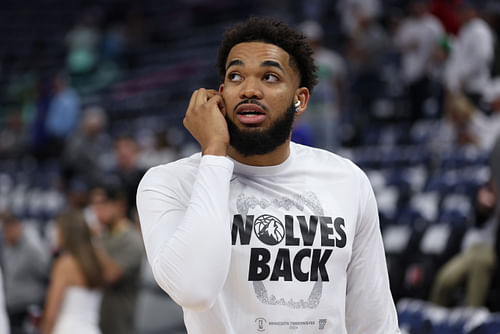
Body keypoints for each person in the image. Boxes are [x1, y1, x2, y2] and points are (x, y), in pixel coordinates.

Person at [137, 17, 400, 333]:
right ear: (220, 94)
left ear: (299, 99)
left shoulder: (348, 180)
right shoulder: (169, 183)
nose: (249, 89)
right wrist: (214, 152)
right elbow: (195, 289)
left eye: (270, 77)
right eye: (236, 76)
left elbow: (373, 318)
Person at [40, 210, 119, 334]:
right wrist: (92, 239)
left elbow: (51, 314)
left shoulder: (64, 264)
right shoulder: (97, 260)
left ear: (66, 233)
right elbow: (113, 273)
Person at [91, 185, 144, 334]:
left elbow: (111, 275)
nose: (97, 210)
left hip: (122, 322)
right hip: (97, 319)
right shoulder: (103, 236)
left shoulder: (132, 240)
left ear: (119, 205)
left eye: (102, 203)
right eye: (94, 204)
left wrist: (92, 243)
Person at [1, 212, 49, 334]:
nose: (8, 233)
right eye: (6, 229)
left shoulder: (31, 249)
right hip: (12, 307)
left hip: (29, 307)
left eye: (11, 228)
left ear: (18, 227)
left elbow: (46, 274)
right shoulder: (5, 249)